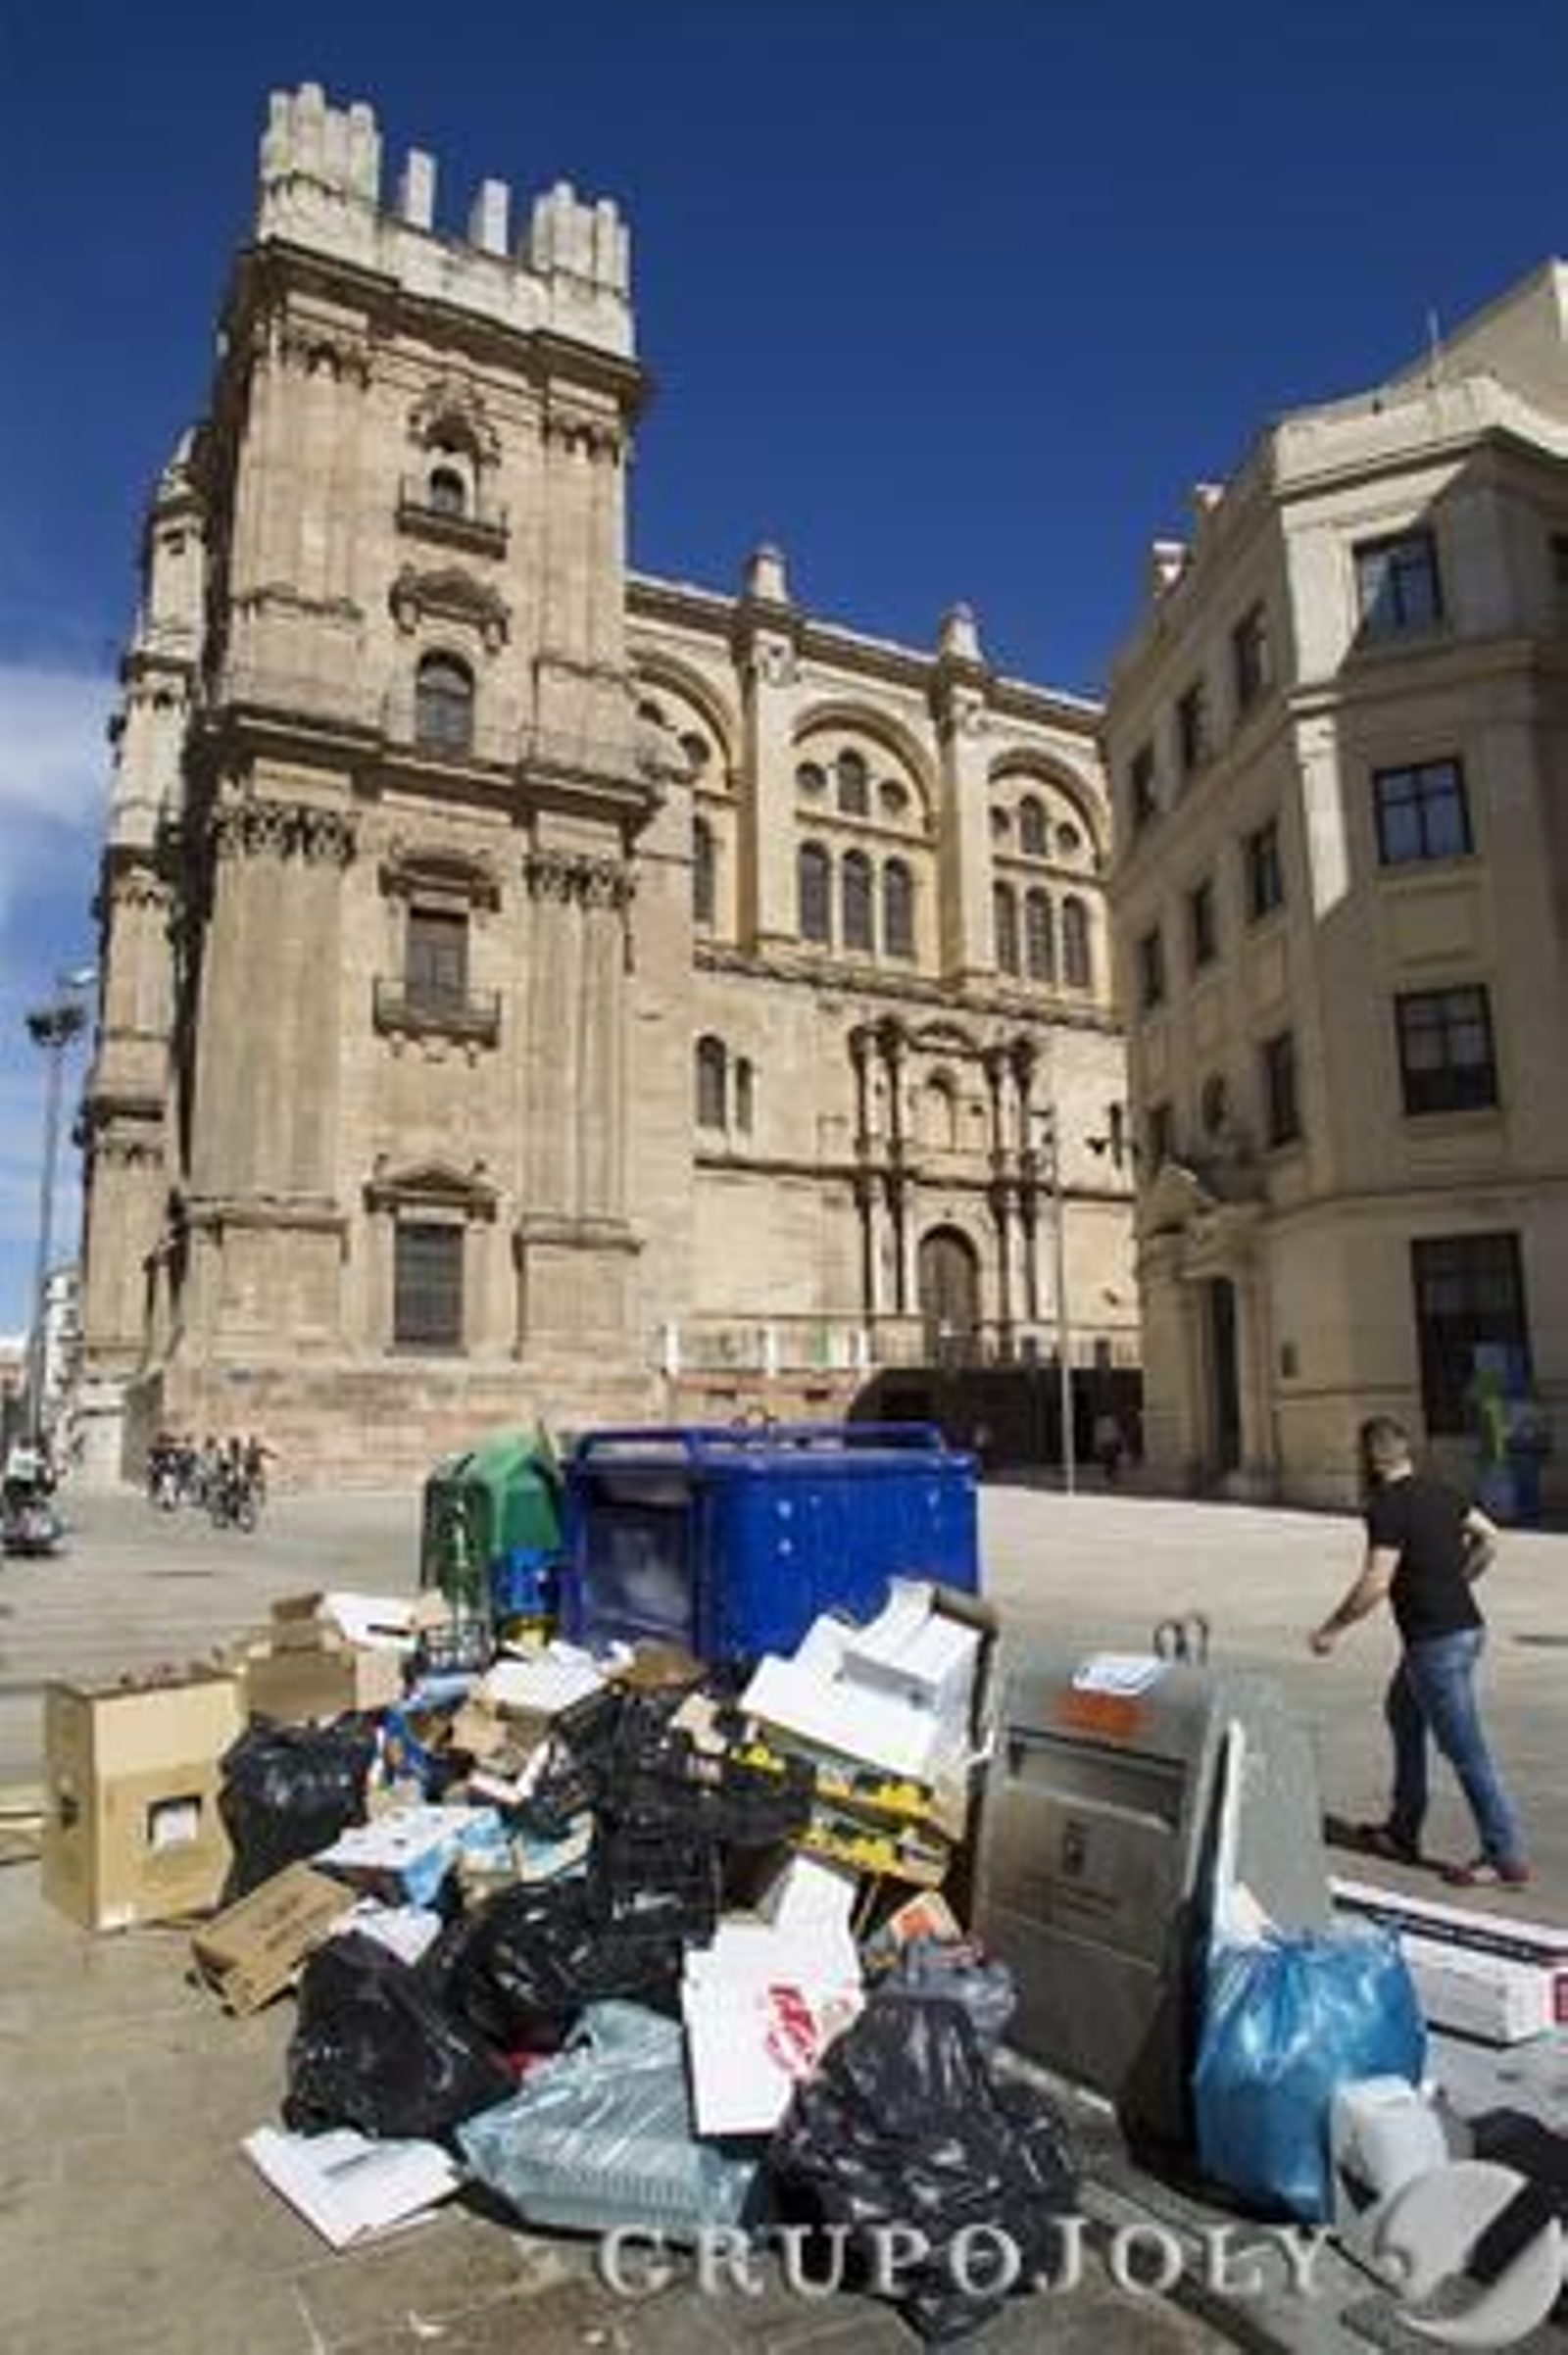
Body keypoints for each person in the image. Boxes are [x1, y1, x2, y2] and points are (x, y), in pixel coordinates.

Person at [1309, 1415, 1528, 1889]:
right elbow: (1490, 1536)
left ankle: (1504, 1853)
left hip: (1436, 1641)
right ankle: (1403, 1829)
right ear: (1405, 1453)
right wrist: (1462, 1578)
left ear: (1368, 1458)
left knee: (1465, 1749)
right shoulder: (1441, 1491)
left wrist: (1331, 1629)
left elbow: (1376, 1583)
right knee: (1403, 1713)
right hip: (1465, 1629)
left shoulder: (1386, 1506)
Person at [1093, 1408, 1126, 1486]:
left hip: (1108, 1443)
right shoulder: (1111, 1421)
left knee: (1109, 1462)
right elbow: (1117, 1432)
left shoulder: (1101, 1422)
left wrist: (1097, 1445)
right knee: (1111, 1462)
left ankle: (1110, 1478)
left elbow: (1099, 1434)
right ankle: (1111, 1478)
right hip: (1109, 1443)